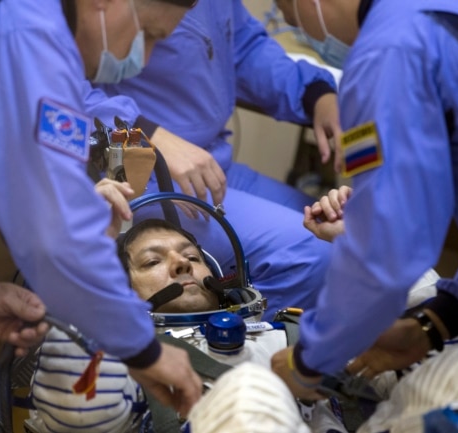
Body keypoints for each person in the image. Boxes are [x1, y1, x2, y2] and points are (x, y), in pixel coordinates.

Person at [270, 0, 458, 430]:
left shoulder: (386, 53)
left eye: (287, 9)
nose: (289, 22)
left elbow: (386, 248)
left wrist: (307, 360)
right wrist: (433, 323)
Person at [0, 0, 203, 416]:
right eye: (147, 34)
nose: (142, 59)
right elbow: (55, 231)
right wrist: (143, 350)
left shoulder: (26, 34)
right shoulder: (29, 39)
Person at [84, 0, 344, 317]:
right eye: (148, 35)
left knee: (341, 230)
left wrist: (315, 94)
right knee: (314, 254)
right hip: (139, 172)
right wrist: (147, 134)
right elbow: (58, 91)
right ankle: (217, 350)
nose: (149, 52)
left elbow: (244, 46)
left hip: (212, 162)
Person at [27, 217, 347, 433]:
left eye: (192, 257)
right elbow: (81, 415)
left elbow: (390, 360)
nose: (182, 263)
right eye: (153, 261)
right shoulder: (119, 362)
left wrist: (355, 242)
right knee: (246, 394)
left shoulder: (295, 335)